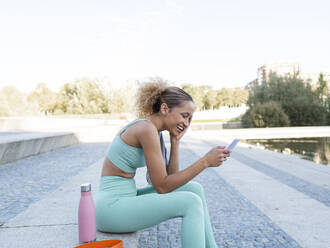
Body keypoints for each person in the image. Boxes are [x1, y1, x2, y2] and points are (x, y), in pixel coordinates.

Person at [94, 81, 231, 248]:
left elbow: (170, 181)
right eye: (184, 115)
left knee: (195, 189)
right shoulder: (146, 129)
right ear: (165, 109)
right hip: (110, 209)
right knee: (191, 202)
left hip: (124, 198)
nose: (187, 123)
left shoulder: (153, 131)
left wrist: (175, 142)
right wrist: (205, 161)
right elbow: (162, 187)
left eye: (190, 118)